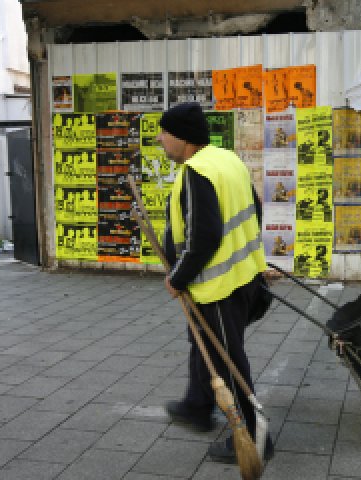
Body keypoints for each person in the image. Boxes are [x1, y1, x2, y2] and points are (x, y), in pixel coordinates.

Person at [157, 102, 273, 463]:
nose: (160, 140)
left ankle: (256, 438)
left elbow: (202, 237)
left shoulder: (197, 171)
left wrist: (178, 277)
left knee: (226, 359)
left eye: (165, 133)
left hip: (220, 285)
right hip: (243, 276)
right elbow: (254, 208)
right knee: (203, 342)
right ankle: (197, 404)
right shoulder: (227, 159)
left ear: (184, 139)